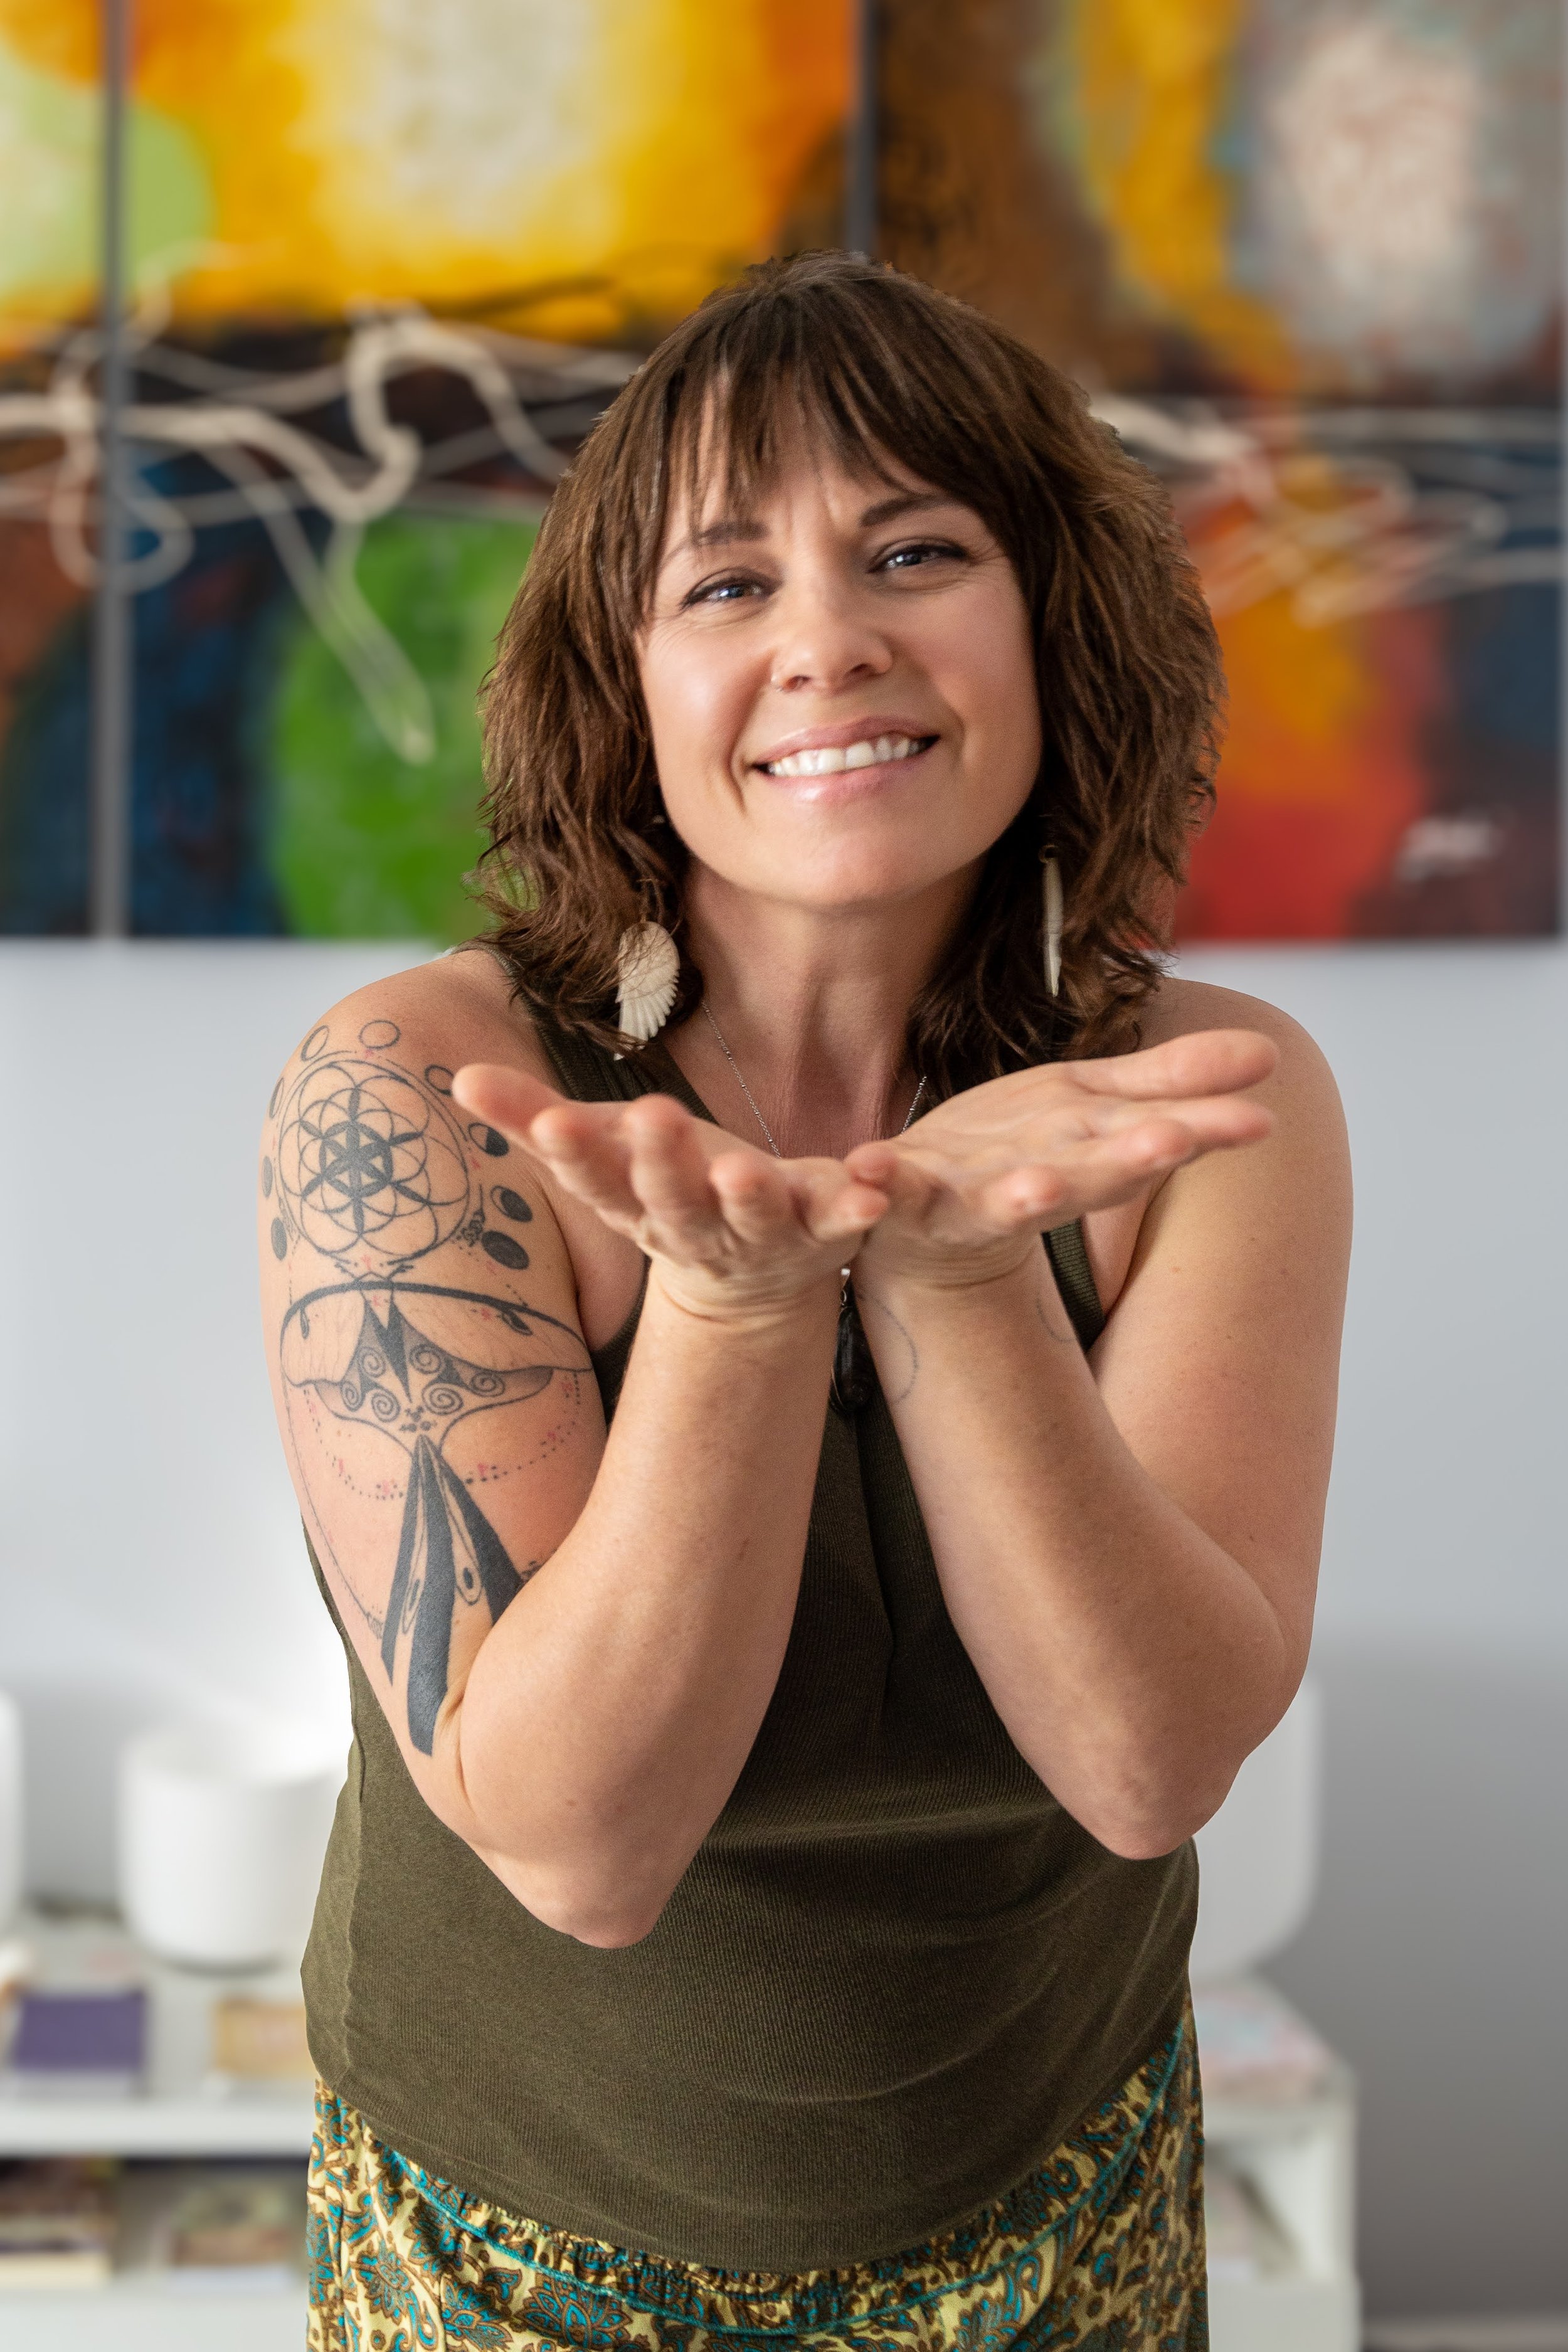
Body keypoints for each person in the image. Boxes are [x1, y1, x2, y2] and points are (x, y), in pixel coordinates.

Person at [260, 252, 1349, 2352]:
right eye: (725, 585)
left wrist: (952, 1277)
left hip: (1065, 2219)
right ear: (628, 684)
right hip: (493, 2249)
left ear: (1049, 623)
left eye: (915, 550)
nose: (829, 646)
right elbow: (580, 1846)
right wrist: (742, 1315)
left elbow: (1140, 1764)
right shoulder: (411, 1101)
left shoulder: (1206, 1106)